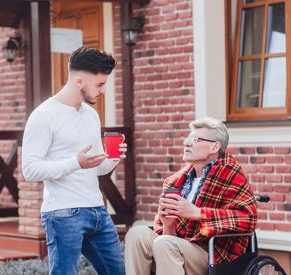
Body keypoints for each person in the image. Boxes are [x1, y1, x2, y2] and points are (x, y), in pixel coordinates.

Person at [22, 47, 127, 275]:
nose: (103, 90)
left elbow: (96, 167)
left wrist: (113, 158)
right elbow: (30, 170)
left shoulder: (91, 114)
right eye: (99, 85)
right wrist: (75, 163)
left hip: (97, 210)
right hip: (63, 213)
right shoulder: (43, 116)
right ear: (80, 81)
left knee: (116, 271)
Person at [124, 117, 257, 275]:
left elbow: (248, 218)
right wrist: (168, 225)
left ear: (215, 147)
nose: (186, 143)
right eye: (188, 138)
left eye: (195, 139)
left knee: (165, 243)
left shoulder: (231, 174)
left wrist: (199, 213)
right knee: (136, 234)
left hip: (214, 253)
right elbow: (170, 237)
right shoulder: (176, 181)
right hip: (178, 245)